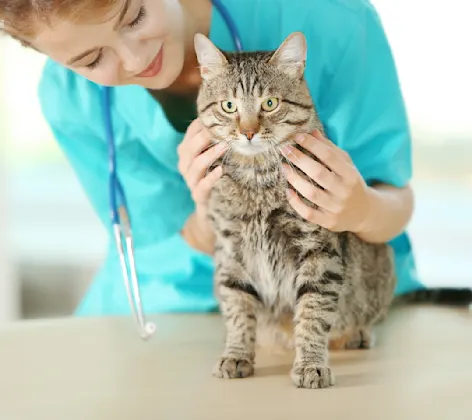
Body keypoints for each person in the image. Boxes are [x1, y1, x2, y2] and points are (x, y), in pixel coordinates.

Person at [0, 0, 424, 316]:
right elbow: (147, 248)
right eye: (92, 59)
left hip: (329, 301)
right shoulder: (70, 98)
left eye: (134, 17)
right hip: (165, 309)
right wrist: (208, 224)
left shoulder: (329, 18)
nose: (135, 59)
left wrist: (360, 209)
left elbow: (394, 199)